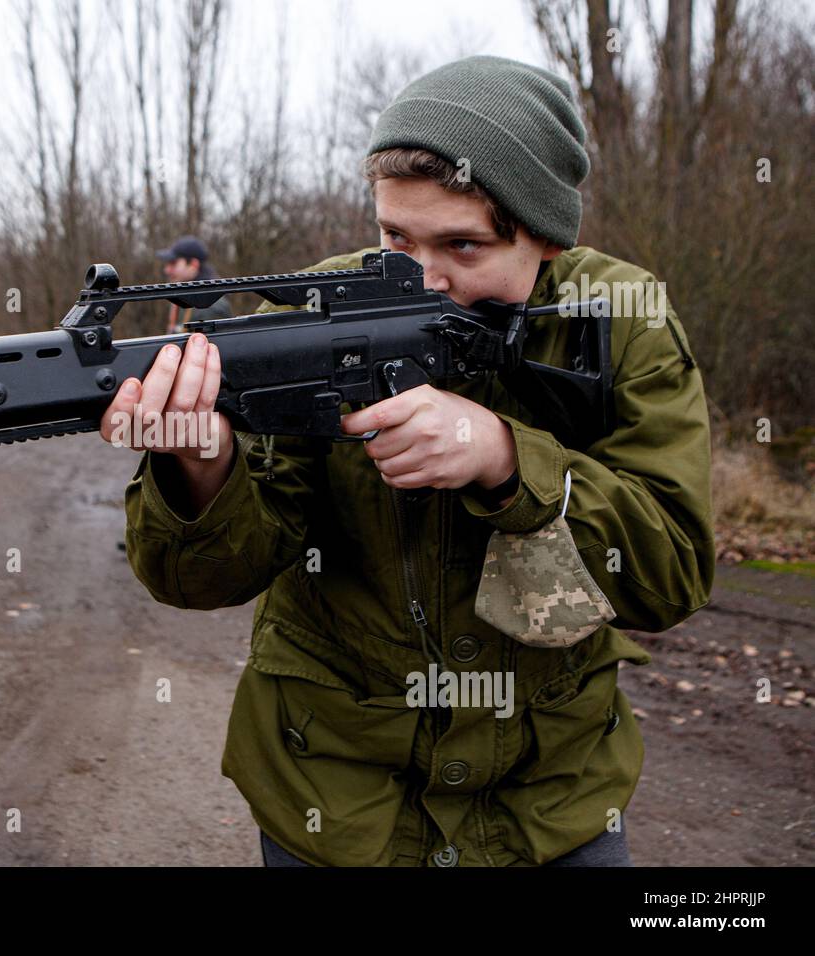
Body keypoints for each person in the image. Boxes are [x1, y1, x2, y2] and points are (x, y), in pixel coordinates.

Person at [107, 56, 714, 867]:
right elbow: (203, 579)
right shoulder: (316, 313)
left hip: (549, 805)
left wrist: (507, 458)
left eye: (462, 245)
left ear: (545, 236)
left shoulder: (621, 321)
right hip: (335, 802)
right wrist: (203, 469)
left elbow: (671, 572)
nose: (423, 281)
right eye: (395, 237)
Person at [155, 236, 233, 333]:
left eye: (173, 263)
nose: (167, 270)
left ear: (193, 264)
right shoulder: (188, 297)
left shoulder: (209, 306)